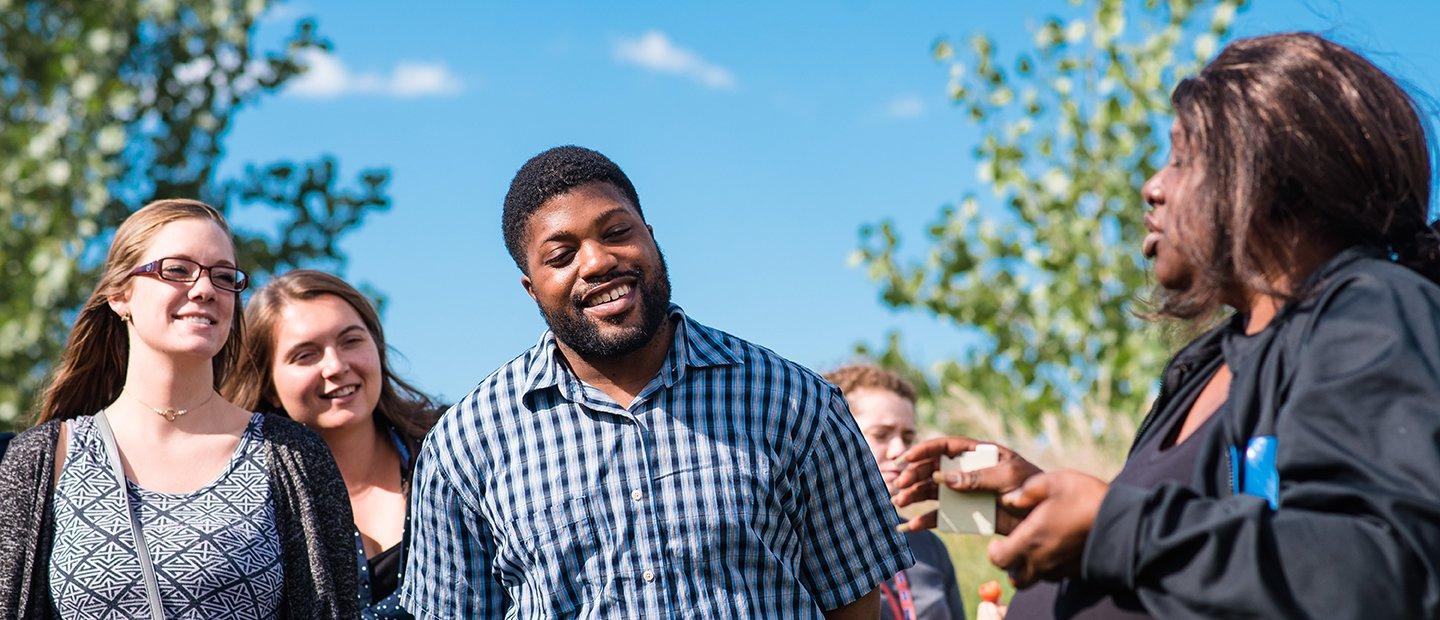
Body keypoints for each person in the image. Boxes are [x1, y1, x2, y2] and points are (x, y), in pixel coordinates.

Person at [892, 32, 1440, 618]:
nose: (1152, 187)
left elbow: (1381, 573)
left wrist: (1115, 527)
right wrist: (1039, 508)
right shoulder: (1207, 365)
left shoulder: (1370, 310)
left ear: (1275, 173)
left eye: (1182, 158)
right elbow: (1179, 557)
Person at [400, 145, 914, 618]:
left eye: (617, 232)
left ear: (651, 235)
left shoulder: (795, 403)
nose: (598, 262)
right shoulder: (464, 446)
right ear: (531, 288)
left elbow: (856, 603)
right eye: (561, 255)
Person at [0, 199, 358, 618]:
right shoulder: (41, 459)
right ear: (120, 294)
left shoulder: (293, 457)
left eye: (223, 276)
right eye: (177, 270)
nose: (205, 289)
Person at [224, 269, 440, 619]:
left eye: (351, 340)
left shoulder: (450, 451)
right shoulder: (249, 504)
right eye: (305, 355)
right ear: (268, 387)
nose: (336, 366)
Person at [825, 364, 966, 620]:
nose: (900, 450)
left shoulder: (929, 546)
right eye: (881, 435)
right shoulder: (809, 542)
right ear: (834, 434)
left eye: (908, 438)